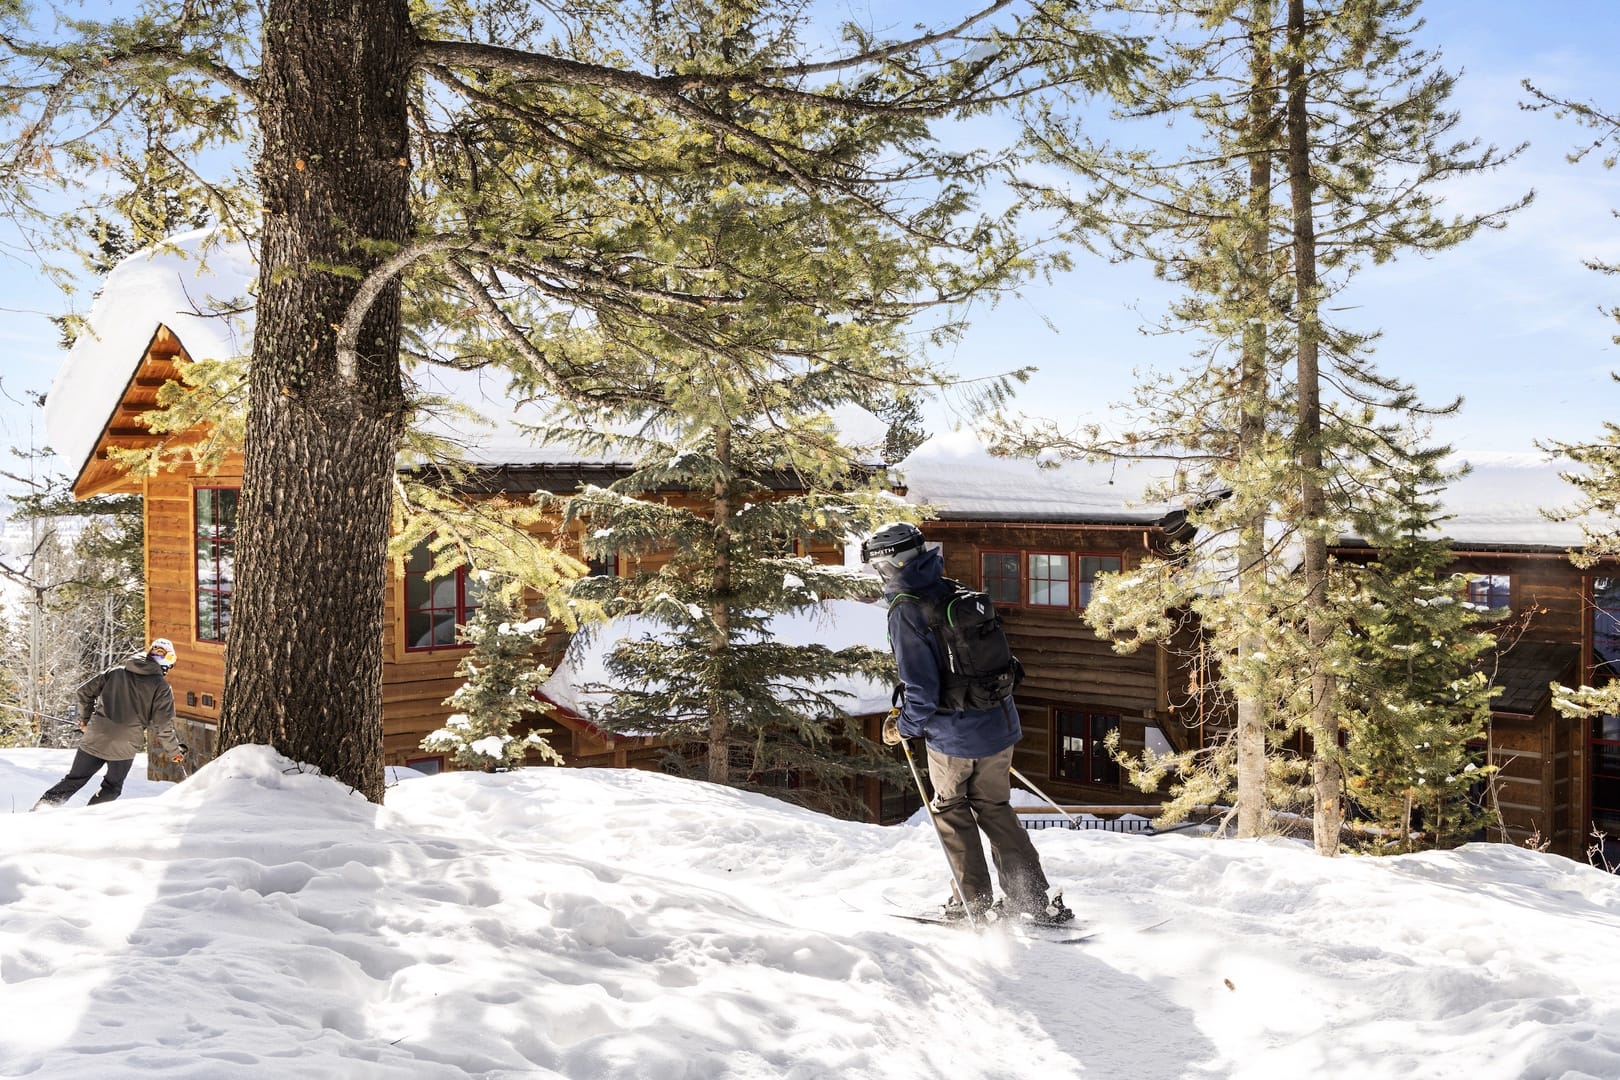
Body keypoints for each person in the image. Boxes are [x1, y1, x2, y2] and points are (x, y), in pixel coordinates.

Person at [864, 522, 1073, 924]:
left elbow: (922, 691)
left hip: (953, 736)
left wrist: (902, 728)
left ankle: (971, 902)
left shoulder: (906, 609)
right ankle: (1032, 900)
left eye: (879, 567)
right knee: (995, 808)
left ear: (890, 564)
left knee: (952, 811)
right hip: (998, 725)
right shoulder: (950, 589)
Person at [33, 638, 186, 810]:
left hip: (95, 735)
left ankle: (41, 809)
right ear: (166, 664)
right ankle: (87, 819)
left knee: (74, 780)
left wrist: (85, 719)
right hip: (125, 745)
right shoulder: (162, 687)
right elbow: (163, 724)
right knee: (111, 788)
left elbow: (84, 692)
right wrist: (174, 752)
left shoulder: (116, 672)